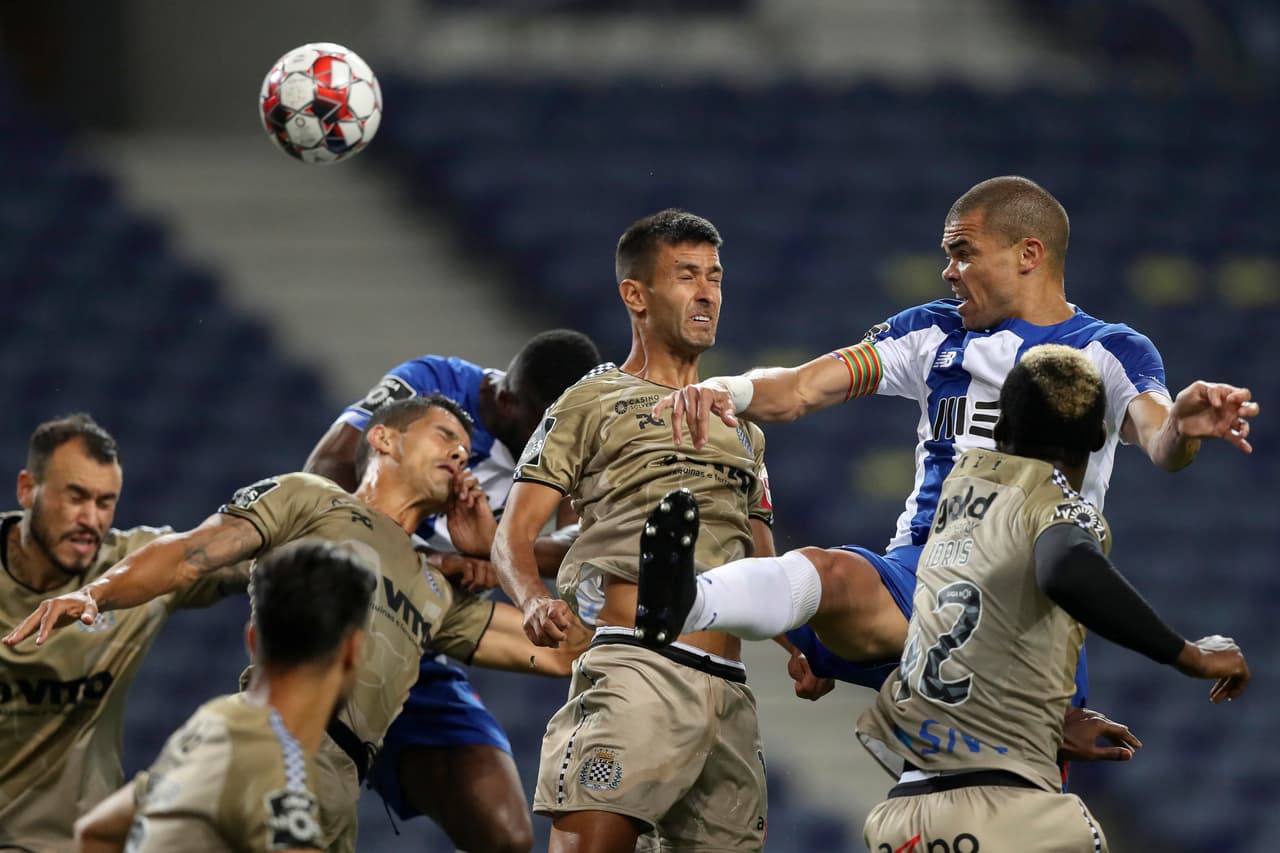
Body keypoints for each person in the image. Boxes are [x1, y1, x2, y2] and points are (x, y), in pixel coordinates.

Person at [648, 176, 1259, 717]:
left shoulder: (1109, 349)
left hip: (1028, 594)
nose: (949, 271)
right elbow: (802, 388)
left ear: (1028, 255)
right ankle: (686, 601)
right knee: (828, 571)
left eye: (964, 253)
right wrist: (725, 389)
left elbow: (1160, 441)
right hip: (924, 569)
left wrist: (1182, 426)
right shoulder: (931, 330)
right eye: (948, 256)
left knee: (1000, 786)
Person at [5, 397, 587, 853]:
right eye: (444, 437)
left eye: (465, 450)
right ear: (384, 439)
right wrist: (96, 592)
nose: (460, 454)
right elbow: (189, 554)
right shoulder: (311, 499)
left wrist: (496, 548)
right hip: (265, 741)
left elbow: (564, 652)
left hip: (339, 787)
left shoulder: (436, 587)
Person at [853, 344, 1249, 851]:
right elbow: (1065, 567)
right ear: (1098, 438)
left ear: (1000, 430)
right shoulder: (1058, 505)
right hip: (1005, 811)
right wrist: (1189, 655)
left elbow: (982, 619)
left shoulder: (959, 489)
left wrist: (1044, 721)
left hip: (902, 817)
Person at [493, 209, 785, 853]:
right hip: (636, 668)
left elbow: (768, 568)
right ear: (636, 295)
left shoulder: (744, 429)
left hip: (730, 694)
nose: (707, 292)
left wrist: (807, 650)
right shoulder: (589, 402)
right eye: (686, 275)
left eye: (714, 276)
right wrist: (533, 600)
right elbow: (512, 534)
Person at [303, 329, 600, 853]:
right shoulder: (432, 384)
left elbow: (581, 544)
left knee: (505, 835)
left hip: (432, 630)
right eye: (545, 431)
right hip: (349, 610)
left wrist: (496, 548)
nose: (557, 450)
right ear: (506, 402)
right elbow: (327, 471)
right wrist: (427, 561)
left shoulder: (571, 437)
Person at [0, 414, 244, 853]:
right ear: (26, 489)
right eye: (76, 497)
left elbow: (252, 557)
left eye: (105, 502)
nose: (90, 519)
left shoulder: (137, 570)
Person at [72, 540, 377, 853]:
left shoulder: (210, 725)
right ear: (353, 650)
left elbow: (95, 833)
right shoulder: (278, 765)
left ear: (253, 640)